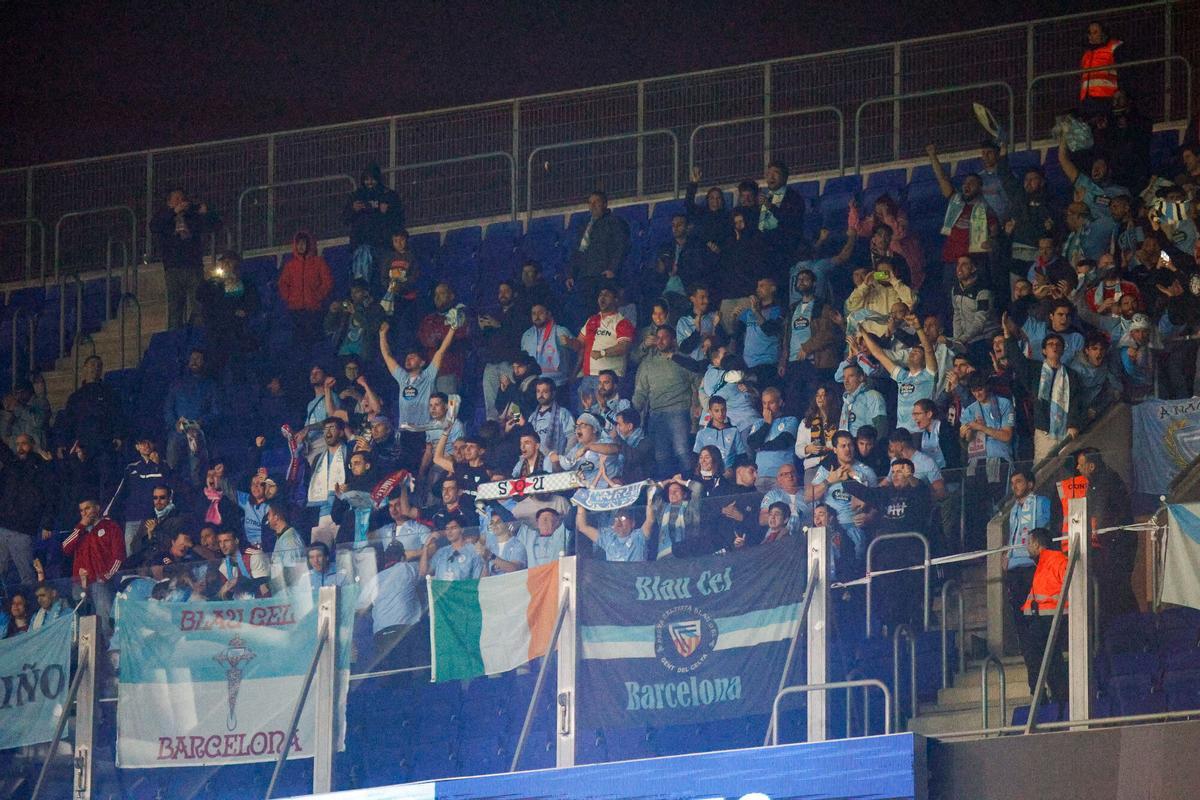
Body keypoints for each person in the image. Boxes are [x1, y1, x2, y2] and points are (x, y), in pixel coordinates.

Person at [380, 317, 458, 470]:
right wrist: (382, 335)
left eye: (413, 357)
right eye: (407, 357)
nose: (408, 359)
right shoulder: (402, 378)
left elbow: (441, 351)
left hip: (423, 432)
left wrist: (453, 329)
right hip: (404, 432)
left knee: (420, 469)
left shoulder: (428, 376)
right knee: (404, 471)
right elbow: (387, 356)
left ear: (422, 363)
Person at [1003, 316, 1082, 462]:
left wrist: (1073, 424)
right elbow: (1017, 360)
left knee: (1069, 470)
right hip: (1043, 431)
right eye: (1050, 344)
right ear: (1044, 351)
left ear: (1063, 350)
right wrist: (1008, 336)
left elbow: (1075, 401)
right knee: (1043, 470)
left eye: (1058, 344)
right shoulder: (1034, 370)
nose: (1054, 347)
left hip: (1067, 431)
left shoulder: (1071, 375)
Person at [928, 144, 997, 303]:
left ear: (980, 188)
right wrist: (932, 155)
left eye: (972, 183)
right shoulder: (956, 201)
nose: (967, 185)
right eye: (965, 182)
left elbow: (994, 231)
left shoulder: (984, 208)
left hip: (975, 263)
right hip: (952, 261)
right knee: (950, 301)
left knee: (976, 300)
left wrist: (991, 241)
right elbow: (942, 179)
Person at [1005, 469, 1051, 689]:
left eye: (1019, 481)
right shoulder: (1014, 509)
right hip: (1015, 570)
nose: (1015, 486)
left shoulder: (1041, 502)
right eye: (1012, 482)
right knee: (1021, 626)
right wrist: (1007, 554)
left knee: (1036, 625)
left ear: (1030, 484)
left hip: (1033, 567)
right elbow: (1013, 535)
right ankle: (1035, 682)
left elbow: (1044, 529)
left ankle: (1044, 679)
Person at [959, 373, 1015, 548]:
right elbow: (967, 440)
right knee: (976, 508)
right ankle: (978, 547)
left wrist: (981, 427)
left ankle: (1002, 544)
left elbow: (1006, 436)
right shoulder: (969, 410)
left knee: (999, 504)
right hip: (976, 461)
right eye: (974, 391)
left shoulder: (1004, 404)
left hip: (999, 458)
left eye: (980, 389)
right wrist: (966, 433)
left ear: (987, 387)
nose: (977, 394)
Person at [632, 326, 695, 478]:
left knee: (682, 451)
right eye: (657, 337)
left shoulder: (683, 359)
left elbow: (697, 383)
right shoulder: (648, 363)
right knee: (661, 456)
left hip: (679, 410)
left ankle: (688, 485)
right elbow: (640, 392)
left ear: (673, 340)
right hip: (657, 414)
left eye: (664, 337)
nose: (660, 341)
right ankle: (667, 488)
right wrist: (631, 412)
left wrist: (697, 406)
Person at [152, 187, 219, 329]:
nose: (180, 202)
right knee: (175, 307)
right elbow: (155, 226)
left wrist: (206, 213)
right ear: (169, 202)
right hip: (173, 267)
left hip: (193, 265)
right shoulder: (164, 216)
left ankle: (198, 334)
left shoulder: (192, 216)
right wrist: (173, 212)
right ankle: (175, 337)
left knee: (198, 304)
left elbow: (213, 225)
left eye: (182, 199)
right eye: (176, 199)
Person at [808, 430, 878, 561]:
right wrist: (829, 481)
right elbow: (808, 496)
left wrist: (869, 517)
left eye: (850, 445)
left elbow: (878, 502)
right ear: (835, 449)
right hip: (829, 526)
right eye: (843, 446)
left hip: (855, 528)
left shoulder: (867, 472)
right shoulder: (826, 469)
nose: (847, 449)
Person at [356, 542, 426, 670]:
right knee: (409, 670)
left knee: (389, 673)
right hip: (405, 630)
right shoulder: (407, 568)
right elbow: (425, 570)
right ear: (403, 557)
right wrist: (424, 549)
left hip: (381, 633)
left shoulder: (375, 579)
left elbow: (360, 609)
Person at [1020, 527, 1069, 707]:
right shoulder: (1043, 563)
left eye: (1029, 542)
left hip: (1051, 618)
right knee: (1052, 659)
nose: (1026, 546)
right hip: (1045, 618)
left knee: (1035, 653)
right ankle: (1059, 698)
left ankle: (1041, 697)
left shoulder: (1055, 560)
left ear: (1036, 544)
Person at [62, 498, 124, 637]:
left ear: (97, 508)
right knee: (80, 622)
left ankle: (110, 647)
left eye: (87, 508)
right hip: (80, 583)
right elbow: (65, 547)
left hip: (101, 583)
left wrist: (106, 577)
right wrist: (80, 526)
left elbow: (119, 556)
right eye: (81, 510)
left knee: (104, 620)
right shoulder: (79, 530)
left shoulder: (110, 526)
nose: (84, 513)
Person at [568, 283, 636, 403]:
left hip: (611, 377)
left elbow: (624, 347)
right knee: (586, 413)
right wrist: (570, 342)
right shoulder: (591, 320)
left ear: (616, 300)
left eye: (607, 295)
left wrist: (603, 353)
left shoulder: (623, 322)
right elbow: (580, 344)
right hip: (588, 376)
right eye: (600, 295)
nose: (602, 298)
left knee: (608, 412)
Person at [0, 433, 51, 587]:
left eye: (24, 444)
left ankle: (31, 602)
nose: (20, 448)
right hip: (3, 525)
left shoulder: (42, 467)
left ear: (32, 445)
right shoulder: (12, 464)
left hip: (23, 529)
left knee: (27, 576)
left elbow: (51, 496)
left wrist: (47, 524)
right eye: (17, 444)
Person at [566, 191, 630, 311]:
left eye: (596, 202)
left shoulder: (614, 222)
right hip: (585, 276)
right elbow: (578, 251)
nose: (593, 205)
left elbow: (621, 247)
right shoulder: (585, 225)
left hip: (602, 276)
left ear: (605, 204)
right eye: (590, 203)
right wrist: (571, 274)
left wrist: (613, 269)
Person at [163, 349, 218, 487]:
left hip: (198, 430)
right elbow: (168, 409)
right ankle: (169, 487)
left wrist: (201, 422)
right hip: (179, 430)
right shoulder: (177, 384)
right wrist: (175, 424)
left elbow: (216, 412)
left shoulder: (210, 385)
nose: (194, 361)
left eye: (198, 359)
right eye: (192, 358)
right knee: (172, 447)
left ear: (203, 362)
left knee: (196, 456)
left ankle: (197, 488)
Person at [478, 281, 527, 421]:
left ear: (514, 294)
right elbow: (484, 342)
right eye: (500, 292)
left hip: (510, 363)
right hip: (491, 363)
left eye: (506, 291)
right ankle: (492, 428)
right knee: (491, 404)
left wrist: (499, 325)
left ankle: (516, 424)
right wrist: (482, 328)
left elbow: (518, 337)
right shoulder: (494, 313)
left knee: (514, 398)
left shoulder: (520, 312)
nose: (502, 295)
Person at [279, 230, 334, 345]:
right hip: (295, 310)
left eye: (303, 243)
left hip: (313, 310)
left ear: (309, 244)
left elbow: (327, 282)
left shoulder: (319, 262)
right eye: (298, 244)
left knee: (313, 340)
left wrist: (318, 296)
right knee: (298, 342)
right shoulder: (290, 265)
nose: (301, 246)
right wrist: (290, 298)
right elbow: (283, 284)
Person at [417, 283, 472, 395]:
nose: (437, 297)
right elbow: (425, 340)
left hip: (449, 372)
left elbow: (458, 337)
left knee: (448, 405)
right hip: (429, 373)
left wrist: (440, 338)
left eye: (441, 293)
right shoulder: (429, 319)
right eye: (435, 294)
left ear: (451, 296)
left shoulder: (460, 315)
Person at [342, 164, 404, 254]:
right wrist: (353, 209)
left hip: (383, 243)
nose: (370, 182)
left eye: (373, 179)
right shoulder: (357, 195)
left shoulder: (388, 195)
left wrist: (388, 212)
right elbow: (345, 219)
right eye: (367, 179)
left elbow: (399, 218)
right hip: (361, 243)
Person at [737, 277, 785, 388]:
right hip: (748, 364)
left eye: (762, 286)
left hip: (767, 364)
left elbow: (770, 330)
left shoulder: (777, 310)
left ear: (772, 288)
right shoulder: (749, 312)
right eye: (757, 286)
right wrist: (734, 317)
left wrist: (756, 311)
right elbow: (737, 332)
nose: (758, 289)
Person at [747, 387, 798, 489]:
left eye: (771, 403)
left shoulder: (790, 420)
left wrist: (761, 447)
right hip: (760, 476)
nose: (767, 407)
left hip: (782, 476)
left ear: (780, 402)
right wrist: (767, 424)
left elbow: (783, 442)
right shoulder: (759, 423)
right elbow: (752, 443)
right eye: (764, 403)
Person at [521, 303, 574, 391]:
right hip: (533, 385)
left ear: (548, 314)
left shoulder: (560, 331)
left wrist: (573, 374)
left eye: (540, 313)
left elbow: (578, 351)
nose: (537, 316)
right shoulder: (527, 335)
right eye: (534, 313)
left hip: (557, 384)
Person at [577, 505, 650, 562]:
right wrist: (580, 503)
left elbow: (650, 519)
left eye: (623, 518)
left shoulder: (639, 537)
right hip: (612, 577)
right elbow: (582, 527)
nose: (618, 523)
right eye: (616, 519)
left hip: (635, 576)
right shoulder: (608, 538)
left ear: (632, 523)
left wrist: (650, 497)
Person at [1079, 20, 1123, 115]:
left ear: (1103, 33)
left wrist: (1121, 90)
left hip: (1106, 97)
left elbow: (1124, 71)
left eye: (1095, 32)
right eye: (1089, 33)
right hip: (1087, 99)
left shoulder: (1114, 48)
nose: (1091, 36)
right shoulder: (1087, 54)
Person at [420, 518, 484, 581]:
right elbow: (423, 573)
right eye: (447, 529)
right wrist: (426, 546)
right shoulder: (441, 552)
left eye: (453, 528)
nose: (449, 532)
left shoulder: (473, 550)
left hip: (463, 587)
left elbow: (478, 579)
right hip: (442, 587)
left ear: (462, 529)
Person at [694, 396, 745, 474]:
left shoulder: (734, 431)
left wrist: (733, 469)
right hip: (708, 474)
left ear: (726, 410)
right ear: (710, 412)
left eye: (723, 410)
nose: (720, 414)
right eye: (716, 411)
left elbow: (741, 455)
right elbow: (696, 457)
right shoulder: (702, 434)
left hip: (729, 474)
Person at [214, 529, 270, 599]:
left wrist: (238, 581)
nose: (222, 546)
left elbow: (264, 585)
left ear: (236, 541)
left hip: (260, 603)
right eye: (220, 542)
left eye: (226, 541)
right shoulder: (223, 567)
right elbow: (224, 595)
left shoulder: (253, 556)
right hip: (239, 604)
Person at [839, 363, 887, 438]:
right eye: (844, 377)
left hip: (866, 443)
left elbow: (881, 426)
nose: (846, 381)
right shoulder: (847, 400)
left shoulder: (873, 396)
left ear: (861, 378)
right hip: (848, 443)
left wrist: (874, 444)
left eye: (851, 376)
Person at [477, 505, 529, 575]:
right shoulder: (490, 547)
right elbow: (484, 577)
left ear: (507, 524)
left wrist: (491, 556)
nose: (494, 525)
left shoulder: (518, 545)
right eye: (492, 523)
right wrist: (485, 563)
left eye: (498, 522)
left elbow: (515, 569)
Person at [614, 408, 653, 484]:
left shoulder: (645, 441)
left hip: (641, 484)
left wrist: (616, 438)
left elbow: (634, 457)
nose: (617, 428)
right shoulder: (625, 440)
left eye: (620, 424)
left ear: (630, 426)